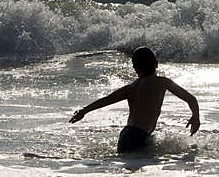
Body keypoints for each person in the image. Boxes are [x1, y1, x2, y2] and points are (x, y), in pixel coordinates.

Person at [69, 47, 200, 153]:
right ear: (157, 63)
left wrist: (84, 111)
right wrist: (195, 117)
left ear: (135, 68)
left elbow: (106, 100)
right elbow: (191, 99)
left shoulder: (130, 88)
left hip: (126, 134)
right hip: (138, 136)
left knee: (128, 167)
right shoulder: (162, 82)